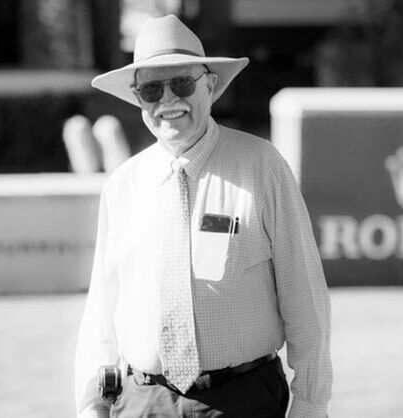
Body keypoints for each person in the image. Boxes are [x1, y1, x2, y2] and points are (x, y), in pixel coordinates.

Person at [75, 15, 331, 418]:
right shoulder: (122, 185)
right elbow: (102, 313)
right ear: (138, 99)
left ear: (209, 86)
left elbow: (305, 299)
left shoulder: (261, 167)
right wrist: (92, 404)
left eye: (181, 83)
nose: (168, 100)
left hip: (244, 401)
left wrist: (311, 404)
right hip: (142, 402)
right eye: (151, 89)